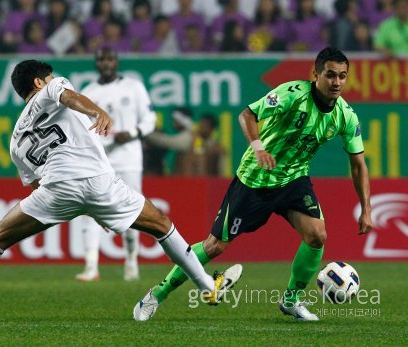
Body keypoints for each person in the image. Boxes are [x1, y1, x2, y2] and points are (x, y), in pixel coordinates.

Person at [0, 59, 240, 323]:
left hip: (55, 190)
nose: (56, 80)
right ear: (38, 83)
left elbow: (32, 185)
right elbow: (68, 96)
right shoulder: (52, 88)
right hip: (99, 182)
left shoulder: (15, 138)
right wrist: (96, 112)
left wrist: (72, 204)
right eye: (51, 77)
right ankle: (207, 287)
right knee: (162, 226)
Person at [133, 47, 373, 322]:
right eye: (331, 75)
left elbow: (358, 164)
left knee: (317, 235)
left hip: (293, 179)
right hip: (255, 179)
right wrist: (258, 148)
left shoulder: (346, 116)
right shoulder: (292, 94)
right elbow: (247, 115)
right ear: (315, 74)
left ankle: (291, 301)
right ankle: (157, 295)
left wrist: (366, 208)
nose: (337, 83)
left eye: (342, 76)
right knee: (215, 247)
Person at [75, 47, 156, 282]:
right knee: (90, 211)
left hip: (129, 159)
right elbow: (82, 129)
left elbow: (150, 118)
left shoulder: (133, 87)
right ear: (96, 63)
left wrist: (133, 133)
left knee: (131, 211)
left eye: (110, 59)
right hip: (99, 162)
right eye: (101, 59)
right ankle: (91, 267)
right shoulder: (88, 92)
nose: (106, 63)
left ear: (117, 61)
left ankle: (131, 262)